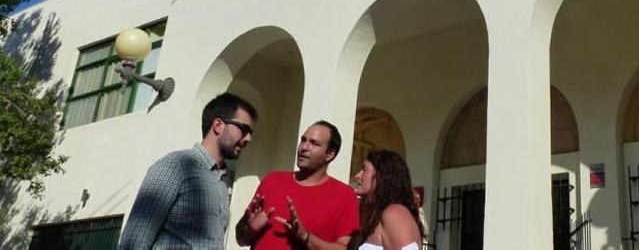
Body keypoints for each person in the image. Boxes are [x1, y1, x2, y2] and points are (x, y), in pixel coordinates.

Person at [119, 92, 257, 249]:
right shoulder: (175, 166)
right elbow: (134, 241)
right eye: (243, 129)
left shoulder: (221, 183)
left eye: (251, 133)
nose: (248, 139)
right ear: (218, 126)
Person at [236, 120, 359, 249]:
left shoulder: (345, 195)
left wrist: (306, 237)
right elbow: (241, 239)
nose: (304, 147)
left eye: (314, 143)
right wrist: (249, 229)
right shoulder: (272, 180)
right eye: (303, 140)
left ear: (330, 154)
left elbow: (344, 248)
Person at [351, 150, 424, 250]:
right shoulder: (378, 215)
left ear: (381, 175)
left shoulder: (394, 214)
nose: (357, 176)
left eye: (364, 169)